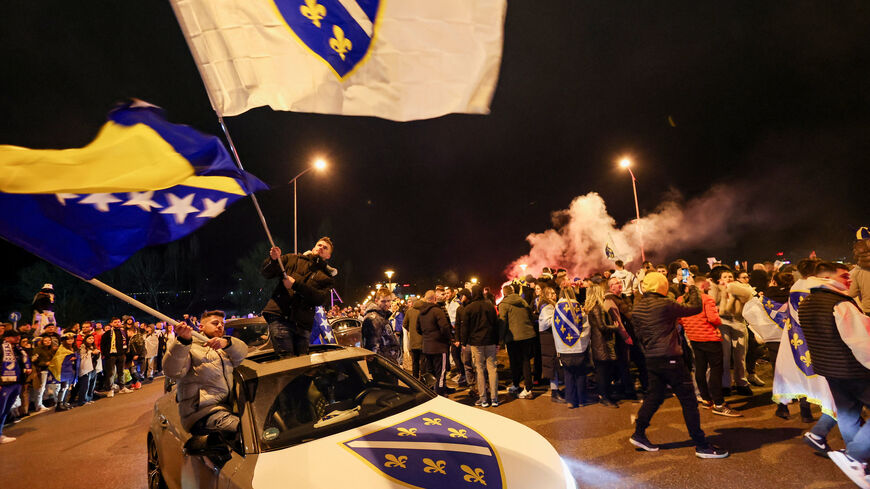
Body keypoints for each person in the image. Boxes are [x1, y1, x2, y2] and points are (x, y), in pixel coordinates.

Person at [629, 272, 729, 458]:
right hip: (670, 358)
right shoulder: (665, 304)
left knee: (654, 396)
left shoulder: (638, 307)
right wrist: (692, 287)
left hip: (652, 358)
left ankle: (639, 433)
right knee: (689, 401)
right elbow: (694, 307)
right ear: (662, 286)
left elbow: (639, 335)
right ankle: (701, 445)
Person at [798, 261, 870, 487]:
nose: (849, 280)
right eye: (844, 276)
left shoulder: (807, 302)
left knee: (848, 412)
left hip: (830, 369)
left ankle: (859, 463)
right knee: (849, 412)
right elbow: (860, 341)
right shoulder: (840, 303)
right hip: (853, 368)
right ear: (828, 277)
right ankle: (856, 455)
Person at [163, 310, 247, 436]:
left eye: (222, 324)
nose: (220, 326)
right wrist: (183, 341)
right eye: (215, 323)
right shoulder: (190, 347)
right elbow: (173, 371)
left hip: (228, 408)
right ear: (201, 327)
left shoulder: (222, 346)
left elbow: (242, 353)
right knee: (245, 432)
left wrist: (227, 343)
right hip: (202, 414)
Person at [261, 238, 337, 356]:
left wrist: (295, 285)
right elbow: (266, 273)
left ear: (328, 256)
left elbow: (320, 299)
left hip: (303, 325)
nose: (321, 247)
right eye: (319, 245)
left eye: (325, 247)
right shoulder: (293, 259)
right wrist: (273, 260)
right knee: (288, 363)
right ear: (313, 248)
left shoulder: (327, 278)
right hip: (281, 317)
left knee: (302, 365)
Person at [677, 278, 741, 417]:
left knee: (700, 367)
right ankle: (719, 404)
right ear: (702, 285)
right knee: (716, 370)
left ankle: (706, 399)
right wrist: (716, 316)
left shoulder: (681, 299)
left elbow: (680, 319)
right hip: (710, 338)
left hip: (694, 338)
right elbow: (714, 319)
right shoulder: (706, 299)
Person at [459, 285, 502, 407]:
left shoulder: (469, 308)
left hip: (476, 343)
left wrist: (464, 342)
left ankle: (483, 399)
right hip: (490, 342)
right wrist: (497, 342)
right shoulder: (489, 306)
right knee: (492, 369)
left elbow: (465, 327)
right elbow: (496, 325)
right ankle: (494, 398)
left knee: (479, 370)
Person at [499, 284, 537, 399]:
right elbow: (531, 316)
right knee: (526, 361)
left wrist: (500, 339)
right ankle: (527, 387)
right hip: (528, 335)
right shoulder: (523, 301)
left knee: (514, 362)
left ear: (504, 293)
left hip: (514, 338)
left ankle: (519, 386)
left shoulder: (504, 304)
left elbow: (503, 323)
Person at [416, 290, 453, 395]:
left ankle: (432, 391)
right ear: (434, 299)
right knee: (441, 372)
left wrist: (427, 336)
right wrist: (447, 339)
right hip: (439, 346)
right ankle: (440, 392)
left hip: (427, 346)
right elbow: (445, 327)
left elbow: (417, 329)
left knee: (430, 371)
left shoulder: (421, 313)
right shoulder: (437, 311)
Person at [0, 329, 32, 443]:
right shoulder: (1, 348)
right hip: (4, 384)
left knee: (5, 410)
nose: (18, 339)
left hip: (17, 382)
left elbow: (24, 361)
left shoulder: (19, 349)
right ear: (6, 338)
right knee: (1, 409)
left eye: (18, 337)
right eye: (15, 337)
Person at [537, 286, 565, 403]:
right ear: (546, 295)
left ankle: (556, 389)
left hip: (550, 338)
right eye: (552, 293)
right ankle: (555, 392)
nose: (555, 295)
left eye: (555, 293)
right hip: (548, 338)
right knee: (552, 363)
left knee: (554, 363)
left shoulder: (550, 305)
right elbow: (545, 323)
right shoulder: (547, 306)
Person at [361, 289, 402, 364]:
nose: (386, 304)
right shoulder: (373, 319)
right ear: (376, 301)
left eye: (389, 301)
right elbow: (372, 349)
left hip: (388, 361)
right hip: (383, 365)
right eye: (383, 301)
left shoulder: (382, 316)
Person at [48, 332, 79, 411]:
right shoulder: (62, 348)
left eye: (72, 338)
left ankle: (64, 402)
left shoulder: (73, 348)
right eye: (68, 339)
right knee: (63, 387)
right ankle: (59, 404)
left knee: (68, 387)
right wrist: (69, 360)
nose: (70, 340)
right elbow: (58, 360)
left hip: (71, 369)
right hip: (64, 370)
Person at [100, 317, 130, 397]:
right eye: (115, 322)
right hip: (111, 356)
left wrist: (124, 353)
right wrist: (106, 354)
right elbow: (103, 345)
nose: (117, 323)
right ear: (111, 324)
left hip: (121, 355)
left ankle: (122, 387)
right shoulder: (107, 334)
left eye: (118, 322)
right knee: (111, 373)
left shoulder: (123, 332)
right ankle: (110, 389)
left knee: (121, 372)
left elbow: (127, 342)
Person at [74, 333, 101, 405]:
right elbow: (82, 357)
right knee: (85, 385)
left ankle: (89, 398)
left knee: (92, 384)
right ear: (85, 339)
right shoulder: (83, 347)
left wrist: (96, 353)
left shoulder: (93, 346)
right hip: (86, 368)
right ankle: (82, 400)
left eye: (92, 338)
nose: (91, 340)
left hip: (93, 367)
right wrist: (91, 353)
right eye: (89, 338)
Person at [403, 297, 425, 379]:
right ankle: (423, 380)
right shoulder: (424, 310)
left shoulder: (409, 311)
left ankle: (415, 380)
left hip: (413, 341)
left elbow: (404, 324)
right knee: (423, 362)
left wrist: (411, 330)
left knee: (415, 362)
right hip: (423, 341)